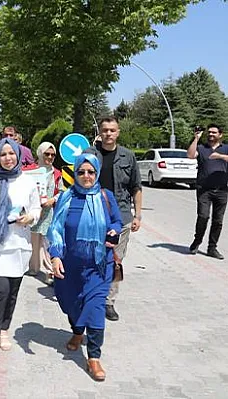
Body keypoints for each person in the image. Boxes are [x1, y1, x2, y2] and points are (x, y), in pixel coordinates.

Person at [48, 153, 123, 381]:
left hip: (100, 266)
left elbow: (117, 221)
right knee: (71, 303)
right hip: (70, 265)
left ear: (97, 173)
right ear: (75, 174)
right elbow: (55, 229)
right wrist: (55, 256)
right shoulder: (66, 198)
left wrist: (114, 231)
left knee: (96, 307)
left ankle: (93, 357)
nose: (86, 176)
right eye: (81, 172)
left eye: (91, 172)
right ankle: (77, 332)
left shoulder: (105, 196)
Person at [0, 138, 40, 359]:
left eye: (11, 154)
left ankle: (5, 329)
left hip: (20, 245)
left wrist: (30, 217)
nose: (7, 158)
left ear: (18, 155)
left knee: (12, 292)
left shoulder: (27, 181)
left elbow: (36, 208)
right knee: (0, 290)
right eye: (2, 154)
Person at [84, 116, 142, 322]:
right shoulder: (89, 155)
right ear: (99, 131)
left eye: (112, 130)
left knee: (115, 259)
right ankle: (90, 295)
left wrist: (138, 215)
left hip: (122, 216)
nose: (108, 133)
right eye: (105, 130)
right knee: (91, 256)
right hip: (92, 215)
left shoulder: (128, 156)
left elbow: (136, 187)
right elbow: (79, 182)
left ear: (118, 132)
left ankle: (109, 302)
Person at [188, 124, 228, 259]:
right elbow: (190, 155)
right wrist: (196, 138)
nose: (211, 134)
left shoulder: (226, 148)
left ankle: (212, 248)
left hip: (222, 190)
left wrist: (221, 157)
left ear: (220, 135)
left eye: (214, 132)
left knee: (218, 221)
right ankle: (197, 241)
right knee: (203, 217)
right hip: (204, 190)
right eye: (209, 132)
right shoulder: (201, 148)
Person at [29, 142, 62, 284]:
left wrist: (53, 200)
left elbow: (62, 192)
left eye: (52, 155)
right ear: (40, 154)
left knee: (48, 241)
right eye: (46, 154)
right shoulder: (30, 171)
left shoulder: (57, 173)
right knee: (33, 241)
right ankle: (33, 267)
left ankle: (50, 271)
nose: (49, 157)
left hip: (49, 212)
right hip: (33, 211)